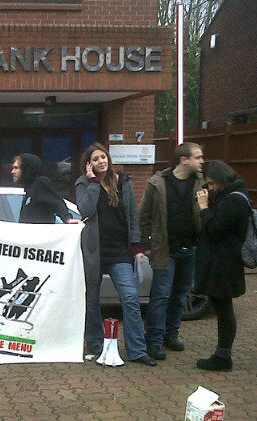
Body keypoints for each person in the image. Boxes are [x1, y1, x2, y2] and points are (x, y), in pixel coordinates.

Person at [75, 143, 156, 367]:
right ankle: (95, 343)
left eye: (103, 157)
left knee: (130, 297)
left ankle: (137, 350)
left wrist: (137, 246)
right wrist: (93, 183)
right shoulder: (83, 183)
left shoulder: (123, 182)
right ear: (88, 164)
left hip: (120, 252)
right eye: (95, 159)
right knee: (92, 299)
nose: (101, 161)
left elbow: (132, 216)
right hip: (94, 252)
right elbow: (85, 210)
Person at [139, 142, 205, 360]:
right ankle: (154, 339)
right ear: (183, 160)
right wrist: (146, 245)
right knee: (161, 296)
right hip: (164, 249)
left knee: (180, 296)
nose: (202, 161)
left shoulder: (201, 182)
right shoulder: (158, 183)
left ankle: (171, 334)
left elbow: (205, 213)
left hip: (190, 248)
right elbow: (144, 216)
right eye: (198, 157)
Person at [193, 160, 250, 371]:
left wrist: (204, 207)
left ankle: (223, 357)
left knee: (224, 309)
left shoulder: (234, 200)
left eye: (212, 183)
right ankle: (222, 355)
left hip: (224, 263)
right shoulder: (228, 196)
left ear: (221, 180)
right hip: (221, 261)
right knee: (222, 307)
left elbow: (216, 229)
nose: (211, 187)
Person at [10, 153, 80, 225]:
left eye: (16, 168)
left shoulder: (40, 183)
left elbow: (57, 202)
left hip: (42, 231)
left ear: (26, 168)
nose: (12, 172)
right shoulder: (29, 189)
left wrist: (68, 219)